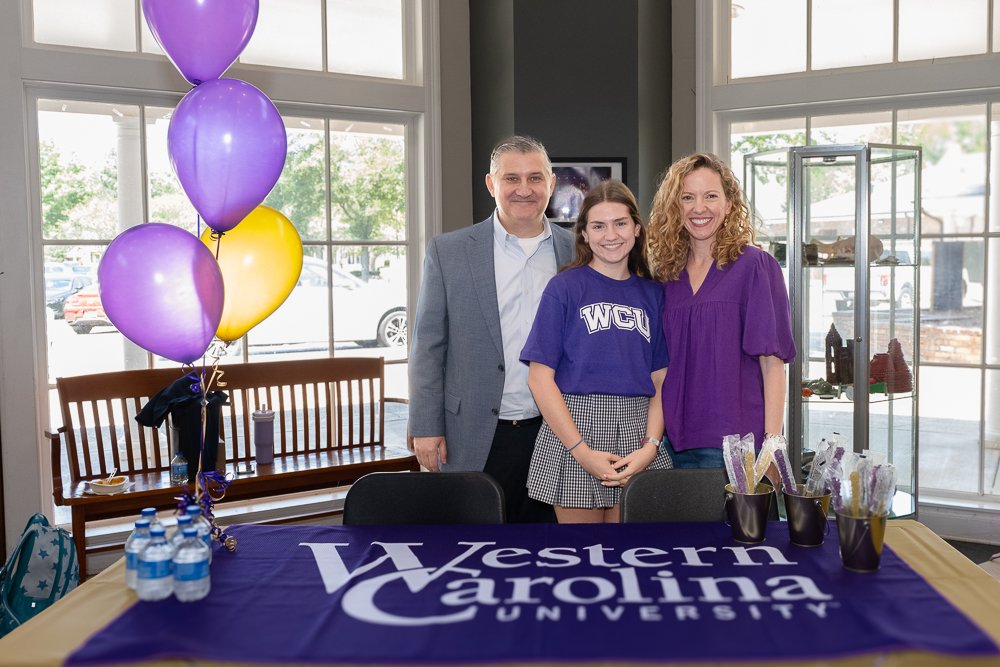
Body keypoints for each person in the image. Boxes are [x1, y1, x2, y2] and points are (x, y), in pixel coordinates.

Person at [408, 135, 575, 523]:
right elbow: (428, 347)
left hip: (555, 432)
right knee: (470, 549)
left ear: (551, 184)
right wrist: (426, 427)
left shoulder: (577, 251)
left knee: (548, 550)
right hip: (472, 432)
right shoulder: (448, 251)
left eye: (535, 178)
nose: (524, 189)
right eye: (511, 178)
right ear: (491, 184)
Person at [520, 180, 673, 523]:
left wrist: (650, 446)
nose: (611, 234)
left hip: (639, 432)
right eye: (598, 226)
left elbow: (661, 379)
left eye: (620, 223)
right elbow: (539, 378)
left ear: (636, 228)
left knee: (631, 555)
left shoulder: (654, 294)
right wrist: (581, 451)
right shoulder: (563, 288)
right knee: (580, 557)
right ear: (584, 235)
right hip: (576, 428)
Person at [646, 152, 795, 468]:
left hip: (736, 445)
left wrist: (773, 443)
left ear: (729, 204)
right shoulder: (665, 275)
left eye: (710, 196)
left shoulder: (755, 266)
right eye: (688, 197)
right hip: (671, 444)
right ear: (676, 206)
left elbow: (772, 363)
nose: (699, 208)